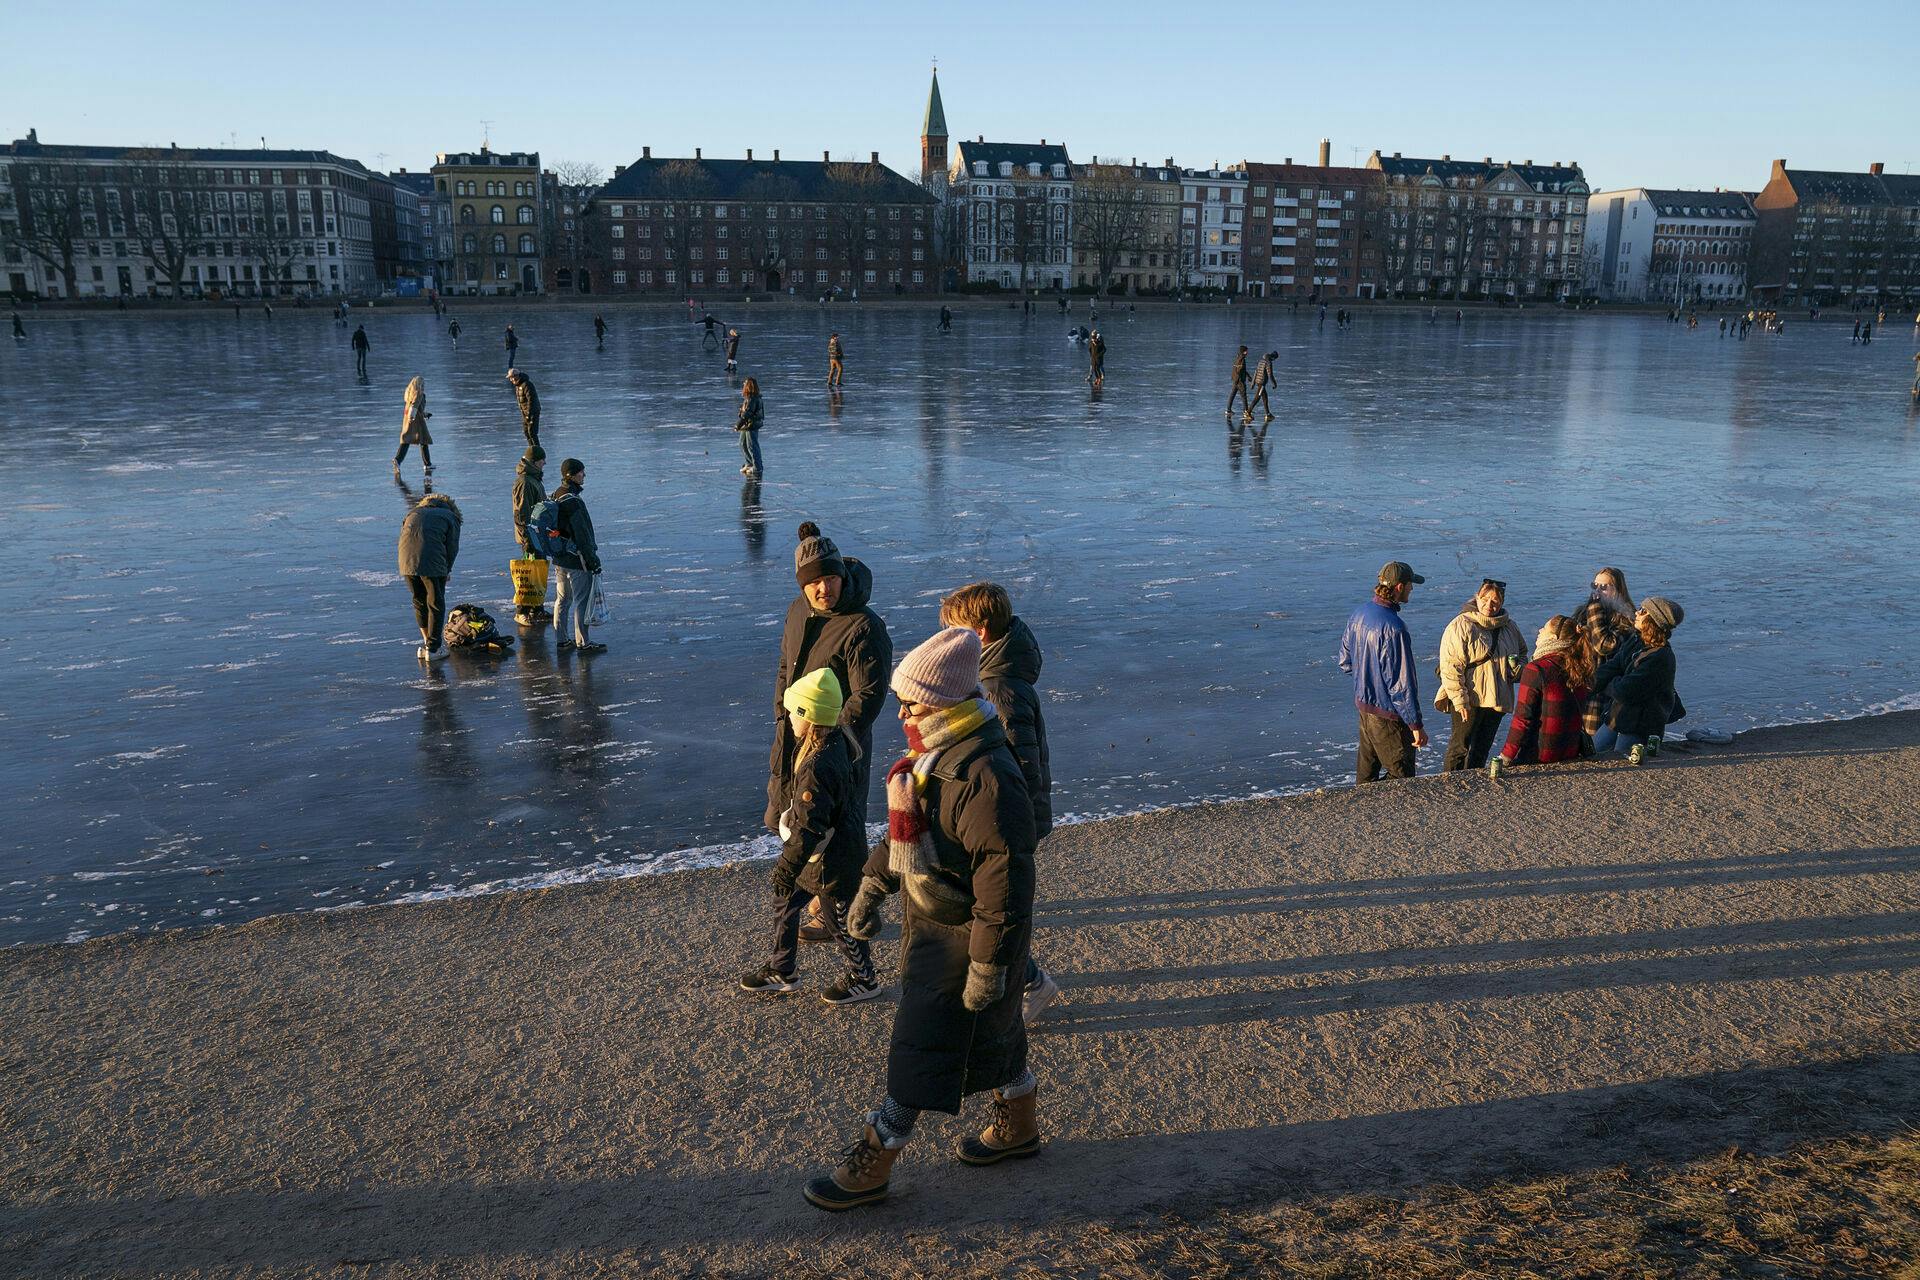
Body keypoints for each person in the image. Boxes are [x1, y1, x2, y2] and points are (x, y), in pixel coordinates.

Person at [806, 627, 1039, 1212]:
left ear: (945, 700)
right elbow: (907, 835)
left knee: (920, 1042)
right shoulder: (932, 756)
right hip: (933, 921)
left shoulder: (986, 773)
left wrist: (989, 961)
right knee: (994, 1032)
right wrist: (873, 885)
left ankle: (879, 1151)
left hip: (963, 936)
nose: (901, 711)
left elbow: (1006, 877)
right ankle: (1019, 1124)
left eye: (911, 700)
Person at [940, 582, 1058, 1025]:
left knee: (990, 909)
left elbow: (1020, 762)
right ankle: (1018, 981)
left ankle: (1028, 983)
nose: (948, 642)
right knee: (987, 908)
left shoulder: (998, 687)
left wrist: (1016, 821)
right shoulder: (993, 675)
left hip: (1005, 818)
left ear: (981, 632)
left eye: (956, 632)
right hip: (997, 813)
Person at [768, 523, 893, 944]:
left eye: (831, 577)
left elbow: (869, 695)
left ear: (842, 575)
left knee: (838, 827)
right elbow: (786, 667)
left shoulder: (862, 626)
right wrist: (783, 714)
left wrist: (831, 739)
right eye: (814, 581)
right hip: (795, 733)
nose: (824, 588)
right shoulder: (797, 611)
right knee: (799, 818)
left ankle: (848, 912)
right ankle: (823, 899)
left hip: (840, 746)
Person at [741, 668, 882, 1005]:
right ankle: (782, 967)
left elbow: (809, 827)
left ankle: (865, 979)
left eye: (793, 711)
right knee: (786, 901)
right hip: (817, 857)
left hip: (833, 860)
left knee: (838, 921)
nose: (788, 717)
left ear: (808, 716)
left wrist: (785, 867)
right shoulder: (827, 743)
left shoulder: (820, 764)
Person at [1337, 561, 1429, 783]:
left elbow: (1345, 662)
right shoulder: (1395, 628)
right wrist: (1415, 725)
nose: (1412, 589)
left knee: (1366, 776)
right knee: (1402, 777)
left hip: (1364, 709)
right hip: (1388, 716)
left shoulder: (1359, 613)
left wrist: (1367, 683)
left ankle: (1360, 815)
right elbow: (1401, 685)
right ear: (1399, 587)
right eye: (1410, 585)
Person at [1435, 578, 1526, 772]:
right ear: (1477, 598)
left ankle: (1474, 788)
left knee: (1481, 750)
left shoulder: (1509, 627)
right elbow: (1451, 667)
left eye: (1495, 601)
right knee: (1459, 748)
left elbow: (1523, 654)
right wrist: (1460, 701)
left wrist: (1517, 669)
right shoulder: (1461, 625)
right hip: (1470, 697)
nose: (1489, 605)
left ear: (1501, 602)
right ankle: (1450, 787)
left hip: (1497, 698)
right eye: (1485, 599)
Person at [1495, 615, 1596, 769]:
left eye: (1544, 628)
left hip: (1540, 754)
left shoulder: (1537, 669)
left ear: (1553, 638)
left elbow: (1522, 719)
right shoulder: (1579, 664)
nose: (1539, 631)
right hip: (1571, 749)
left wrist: (1505, 757)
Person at [1592, 597, 1685, 761]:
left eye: (1643, 611)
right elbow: (1612, 667)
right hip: (1617, 717)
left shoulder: (1660, 656)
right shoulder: (1636, 641)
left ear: (1653, 621)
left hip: (1639, 725)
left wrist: (1610, 682)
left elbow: (1624, 692)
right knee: (1592, 754)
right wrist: (1588, 682)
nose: (1637, 612)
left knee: (1623, 764)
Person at [396, 492, 461, 662]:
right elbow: (452, 547)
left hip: (406, 562)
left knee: (419, 600)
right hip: (432, 561)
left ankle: (427, 643)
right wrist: (447, 569)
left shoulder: (413, 513)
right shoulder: (450, 516)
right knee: (435, 603)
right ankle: (433, 649)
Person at [548, 458, 605, 654]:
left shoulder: (557, 494)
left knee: (562, 599)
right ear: (571, 475)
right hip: (576, 558)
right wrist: (592, 560)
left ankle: (562, 639)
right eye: (581, 472)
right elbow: (582, 535)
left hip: (560, 557)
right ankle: (583, 643)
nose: (584, 475)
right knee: (581, 600)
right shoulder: (572, 501)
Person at [1577, 567, 1638, 744]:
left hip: (1605, 694)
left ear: (1618, 590)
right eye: (1595, 585)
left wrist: (1594, 609)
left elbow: (1604, 645)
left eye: (1604, 587)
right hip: (1581, 687)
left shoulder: (1627, 619)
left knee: (1595, 746)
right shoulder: (1584, 613)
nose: (1597, 591)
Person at [511, 445, 551, 626]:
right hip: (531, 536)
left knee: (538, 571)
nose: (545, 463)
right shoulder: (526, 482)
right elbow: (521, 513)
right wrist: (528, 538)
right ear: (534, 462)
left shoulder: (533, 479)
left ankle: (537, 608)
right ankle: (522, 611)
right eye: (542, 460)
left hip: (537, 534)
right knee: (528, 575)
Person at [393, 375, 433, 474]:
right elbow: (414, 406)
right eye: (422, 384)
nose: (424, 386)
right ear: (418, 384)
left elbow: (416, 408)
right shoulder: (418, 393)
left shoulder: (409, 394)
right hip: (416, 422)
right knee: (422, 441)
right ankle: (427, 464)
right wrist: (412, 416)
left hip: (409, 420)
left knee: (408, 440)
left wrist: (424, 414)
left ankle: (398, 460)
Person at [735, 376, 764, 477]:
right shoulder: (748, 398)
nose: (743, 385)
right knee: (742, 443)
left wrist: (738, 424)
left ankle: (757, 467)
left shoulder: (753, 399)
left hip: (751, 425)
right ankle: (749, 463)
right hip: (746, 425)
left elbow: (748, 413)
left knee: (752, 446)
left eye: (744, 384)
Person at [507, 368, 540, 448]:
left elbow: (531, 400)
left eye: (511, 377)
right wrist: (525, 414)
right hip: (525, 414)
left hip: (532, 412)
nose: (511, 380)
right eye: (510, 378)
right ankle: (531, 450)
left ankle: (538, 452)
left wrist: (529, 414)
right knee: (526, 432)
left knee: (532, 432)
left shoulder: (527, 384)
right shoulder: (518, 386)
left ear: (516, 376)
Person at [1248, 350, 1279, 422]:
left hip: (1258, 381)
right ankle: (1248, 412)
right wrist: (1274, 383)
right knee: (1257, 398)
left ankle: (1268, 414)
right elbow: (1270, 374)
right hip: (1262, 383)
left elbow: (1256, 371)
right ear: (1273, 357)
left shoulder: (1261, 360)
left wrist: (1253, 382)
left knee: (1265, 398)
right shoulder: (1268, 362)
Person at [1226, 345, 1250, 417]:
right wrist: (1240, 380)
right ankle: (1246, 412)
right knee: (1243, 395)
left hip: (1235, 379)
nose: (1248, 352)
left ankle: (1228, 410)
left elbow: (1242, 370)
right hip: (1239, 381)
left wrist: (1248, 376)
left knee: (1232, 394)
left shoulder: (1237, 357)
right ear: (1244, 351)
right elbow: (1239, 370)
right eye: (1247, 351)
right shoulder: (1241, 359)